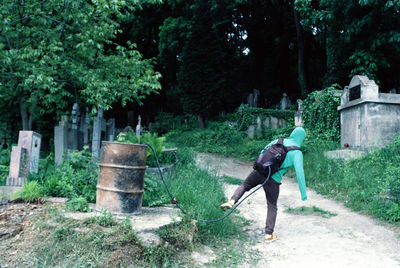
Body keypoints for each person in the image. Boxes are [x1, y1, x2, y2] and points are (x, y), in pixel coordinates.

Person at [220, 127, 307, 242]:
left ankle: (232, 201)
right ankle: (268, 235)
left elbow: (263, 151)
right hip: (273, 179)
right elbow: (300, 173)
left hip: (259, 171)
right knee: (272, 205)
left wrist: (259, 167)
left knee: (245, 185)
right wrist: (303, 194)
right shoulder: (297, 153)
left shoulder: (278, 141)